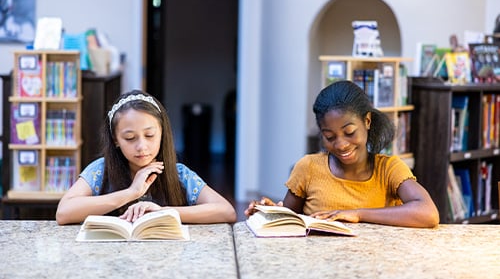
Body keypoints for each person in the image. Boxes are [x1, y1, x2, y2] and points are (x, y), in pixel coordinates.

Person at [245, 80, 439, 228]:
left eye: (349, 133)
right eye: (329, 137)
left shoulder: (389, 169)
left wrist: (358, 214)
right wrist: (268, 213)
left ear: (367, 121)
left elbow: (428, 213)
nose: (341, 145)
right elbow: (289, 221)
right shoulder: (308, 167)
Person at [56, 90, 237, 225]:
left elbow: (226, 211)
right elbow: (64, 213)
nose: (142, 146)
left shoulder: (178, 173)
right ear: (115, 140)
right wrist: (131, 193)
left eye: (149, 135)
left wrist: (163, 212)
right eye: (130, 138)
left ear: (162, 133)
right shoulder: (101, 170)